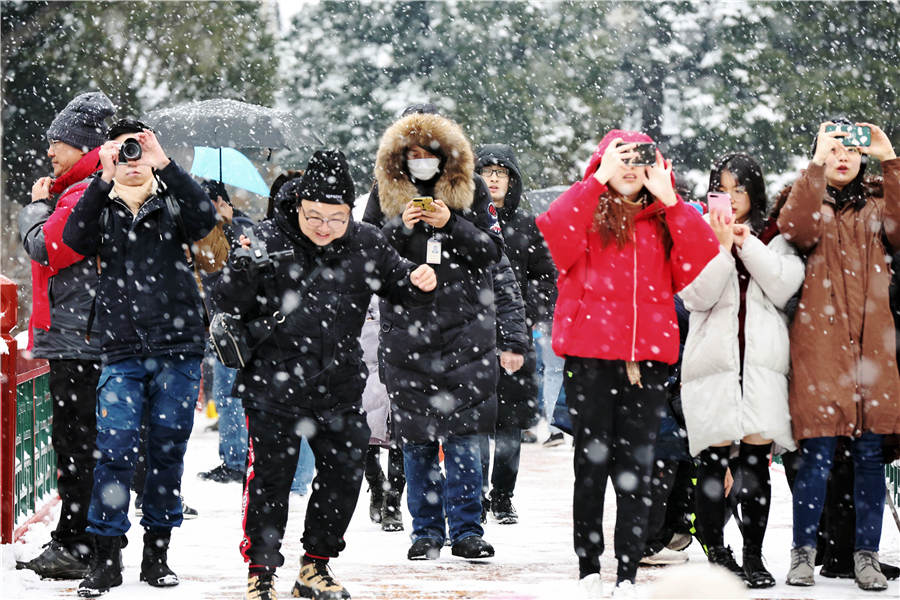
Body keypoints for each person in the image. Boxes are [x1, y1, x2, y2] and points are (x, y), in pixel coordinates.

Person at [213, 150, 437, 600]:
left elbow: (399, 282)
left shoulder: (367, 242)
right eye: (314, 216)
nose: (324, 227)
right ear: (298, 206)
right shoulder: (266, 237)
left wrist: (418, 282)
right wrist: (240, 271)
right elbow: (225, 302)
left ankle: (315, 566)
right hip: (273, 382)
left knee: (344, 473)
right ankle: (261, 571)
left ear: (350, 211)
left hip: (338, 383)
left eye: (336, 218)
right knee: (270, 480)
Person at [536, 129, 720, 598]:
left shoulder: (664, 219)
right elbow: (555, 234)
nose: (631, 167)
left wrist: (671, 200)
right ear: (602, 162)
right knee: (591, 467)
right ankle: (588, 571)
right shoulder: (585, 210)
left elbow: (700, 259)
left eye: (641, 160)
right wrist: (597, 179)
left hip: (647, 363)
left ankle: (627, 574)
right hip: (590, 359)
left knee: (637, 472)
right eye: (621, 158)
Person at [62, 118, 218, 597]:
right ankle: (106, 558)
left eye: (138, 149)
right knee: (114, 451)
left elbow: (205, 219)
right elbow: (74, 239)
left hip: (178, 346)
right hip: (122, 347)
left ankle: (157, 554)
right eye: (121, 150)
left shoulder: (172, 197)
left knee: (166, 451)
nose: (131, 159)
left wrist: (164, 162)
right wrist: (102, 177)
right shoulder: (102, 203)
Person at [371, 109, 503, 561]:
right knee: (418, 438)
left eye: (429, 152)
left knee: (464, 436)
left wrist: (452, 223)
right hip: (406, 334)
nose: (421, 160)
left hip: (466, 333)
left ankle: (467, 529)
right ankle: (425, 531)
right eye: (413, 153)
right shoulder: (384, 191)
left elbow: (492, 250)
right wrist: (400, 227)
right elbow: (366, 254)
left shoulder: (472, 188)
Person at [778, 119, 900, 592]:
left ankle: (866, 556)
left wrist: (890, 159)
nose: (842, 157)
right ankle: (803, 554)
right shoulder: (810, 201)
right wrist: (814, 165)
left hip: (873, 351)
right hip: (820, 351)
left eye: (851, 150)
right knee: (817, 456)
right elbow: (795, 229)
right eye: (833, 150)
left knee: (870, 458)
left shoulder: (878, 206)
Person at [678, 152, 804, 588]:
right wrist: (720, 248)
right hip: (713, 366)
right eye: (722, 188)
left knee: (755, 466)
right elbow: (696, 297)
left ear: (755, 193)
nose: (731, 197)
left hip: (761, 366)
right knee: (712, 466)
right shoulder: (697, 232)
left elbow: (783, 286)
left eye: (740, 188)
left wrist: (746, 243)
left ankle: (753, 556)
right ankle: (717, 553)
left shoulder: (775, 236)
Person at [15, 91, 116, 580]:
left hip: (79, 339)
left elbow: (46, 246)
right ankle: (89, 541)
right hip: (81, 336)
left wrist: (37, 207)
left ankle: (76, 544)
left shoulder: (83, 194)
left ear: (83, 146)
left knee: (77, 444)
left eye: (58, 142)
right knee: (82, 443)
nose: (50, 151)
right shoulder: (84, 190)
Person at [475, 144, 555, 523]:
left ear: (512, 179)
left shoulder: (526, 223)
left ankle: (503, 495)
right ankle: (474, 494)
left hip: (514, 335)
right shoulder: (465, 220)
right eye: (487, 171)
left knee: (510, 422)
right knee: (474, 421)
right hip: (472, 334)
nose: (494, 179)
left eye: (501, 172)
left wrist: (530, 315)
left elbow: (545, 276)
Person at [197, 180, 256, 484]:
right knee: (227, 396)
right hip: (223, 325)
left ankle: (236, 461)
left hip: (234, 328)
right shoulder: (213, 230)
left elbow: (233, 273)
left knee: (230, 396)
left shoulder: (240, 228)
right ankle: (235, 457)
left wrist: (228, 226)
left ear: (219, 201)